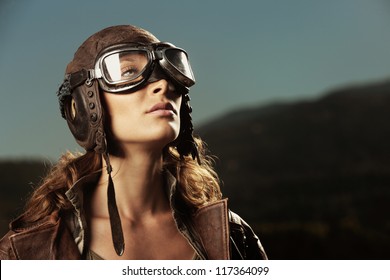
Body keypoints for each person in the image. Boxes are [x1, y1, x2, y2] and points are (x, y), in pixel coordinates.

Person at [0, 25, 267, 260]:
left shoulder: (232, 235)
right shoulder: (27, 254)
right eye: (128, 71)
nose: (162, 83)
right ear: (81, 107)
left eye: (168, 70)